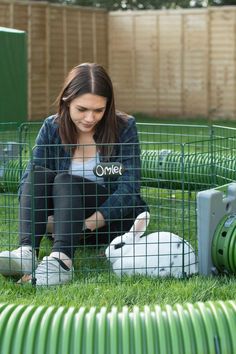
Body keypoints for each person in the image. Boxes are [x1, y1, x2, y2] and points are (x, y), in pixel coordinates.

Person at [0, 63, 148, 286]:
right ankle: (26, 253)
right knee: (38, 173)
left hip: (107, 222)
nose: (90, 118)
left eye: (98, 110)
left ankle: (62, 261)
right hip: (60, 221)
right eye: (82, 109)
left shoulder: (124, 127)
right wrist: (49, 222)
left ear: (108, 106)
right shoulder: (52, 127)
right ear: (66, 102)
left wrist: (83, 224)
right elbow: (28, 183)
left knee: (65, 180)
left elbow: (130, 187)